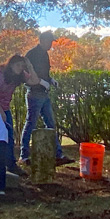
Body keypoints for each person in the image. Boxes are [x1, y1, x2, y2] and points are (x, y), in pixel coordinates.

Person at [0, 55, 39, 176]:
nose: (20, 68)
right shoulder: (0, 74)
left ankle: (10, 164)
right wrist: (0, 113)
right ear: (11, 65)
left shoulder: (20, 75)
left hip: (3, 104)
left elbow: (35, 81)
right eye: (18, 65)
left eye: (22, 66)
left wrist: (30, 67)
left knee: (8, 133)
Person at [20, 31, 74, 166]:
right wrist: (40, 82)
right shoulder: (31, 54)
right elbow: (26, 76)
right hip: (34, 93)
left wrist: (50, 80)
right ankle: (24, 155)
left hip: (44, 94)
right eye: (49, 42)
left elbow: (45, 73)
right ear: (42, 40)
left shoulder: (45, 54)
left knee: (51, 124)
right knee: (30, 124)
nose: (51, 45)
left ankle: (58, 154)